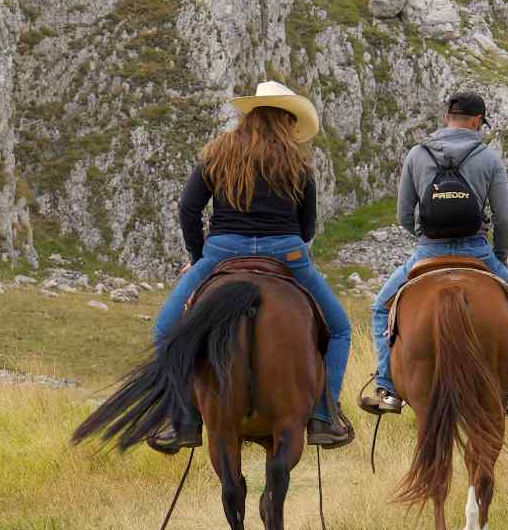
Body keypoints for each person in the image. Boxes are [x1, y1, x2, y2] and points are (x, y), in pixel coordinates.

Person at [147, 82, 355, 453]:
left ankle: (180, 418)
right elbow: (308, 227)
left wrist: (199, 258)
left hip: (223, 252)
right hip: (287, 254)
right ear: (286, 121)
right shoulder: (298, 161)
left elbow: (188, 210)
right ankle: (324, 413)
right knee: (338, 329)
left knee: (165, 330)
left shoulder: (217, 154)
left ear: (250, 116)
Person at [360, 90, 508, 418]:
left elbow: (403, 215)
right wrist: (497, 255)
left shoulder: (417, 154)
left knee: (381, 308)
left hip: (428, 250)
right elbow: (505, 218)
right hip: (476, 250)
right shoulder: (488, 156)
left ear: (446, 118)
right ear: (477, 120)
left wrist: (425, 238)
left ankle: (388, 388)